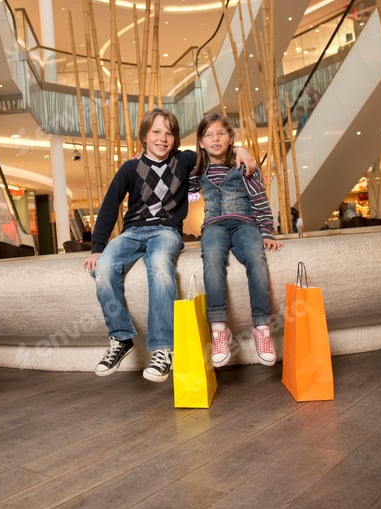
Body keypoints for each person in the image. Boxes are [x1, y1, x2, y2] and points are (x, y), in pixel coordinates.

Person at [82, 108, 256, 383]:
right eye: (156, 132)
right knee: (103, 269)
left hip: (165, 231)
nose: (162, 138)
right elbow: (109, 206)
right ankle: (121, 337)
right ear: (144, 136)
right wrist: (97, 248)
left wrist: (241, 150)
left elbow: (213, 149)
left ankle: (163, 348)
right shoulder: (130, 168)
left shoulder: (184, 161)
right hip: (132, 232)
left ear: (175, 139)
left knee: (161, 268)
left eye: (169, 133)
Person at [190, 112, 283, 369]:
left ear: (230, 138)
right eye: (208, 135)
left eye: (221, 133)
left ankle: (261, 328)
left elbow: (260, 200)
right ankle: (219, 329)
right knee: (211, 259)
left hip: (245, 223)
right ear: (200, 142)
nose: (215, 138)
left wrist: (267, 232)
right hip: (213, 226)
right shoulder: (197, 170)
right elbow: (180, 182)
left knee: (256, 258)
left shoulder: (244, 166)